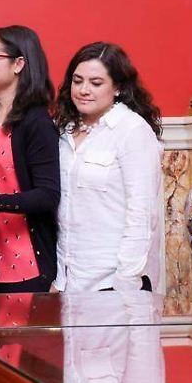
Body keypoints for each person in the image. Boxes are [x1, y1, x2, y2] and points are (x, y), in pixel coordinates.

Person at [53, 42, 163, 294]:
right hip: (69, 279)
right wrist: (60, 279)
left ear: (118, 88)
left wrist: (126, 282)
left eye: (96, 83)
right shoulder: (63, 131)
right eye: (77, 81)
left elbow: (142, 213)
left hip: (114, 281)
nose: (83, 90)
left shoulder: (132, 131)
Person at [0, 26, 60, 293]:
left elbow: (48, 195)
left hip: (25, 263)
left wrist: (0, 201)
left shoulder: (36, 121)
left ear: (19, 63)